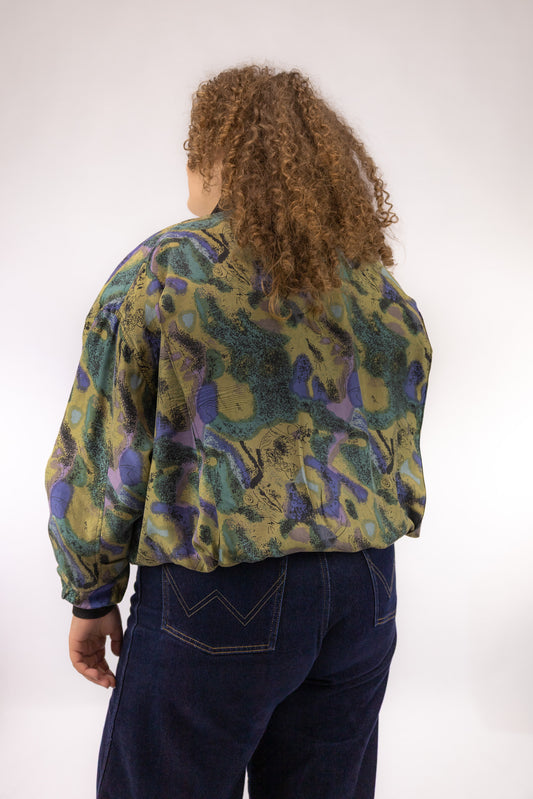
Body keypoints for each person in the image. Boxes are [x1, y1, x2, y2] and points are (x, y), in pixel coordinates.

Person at [45, 64, 432, 799]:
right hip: (365, 593)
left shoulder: (169, 268)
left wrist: (91, 593)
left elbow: (103, 449)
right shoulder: (376, 286)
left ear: (216, 160)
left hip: (221, 591)